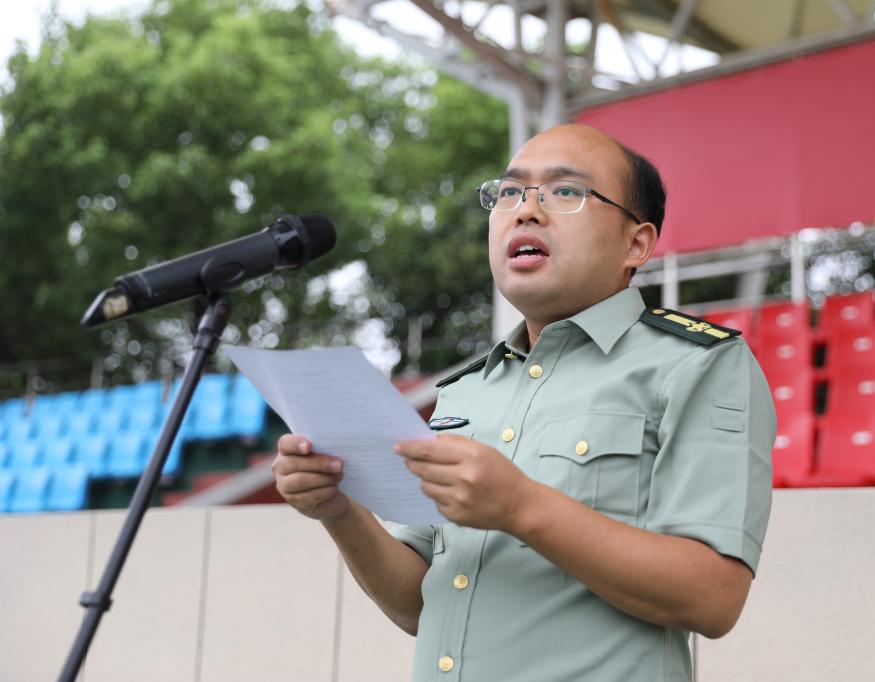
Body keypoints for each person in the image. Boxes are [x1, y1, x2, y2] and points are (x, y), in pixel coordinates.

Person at [272, 123, 775, 681]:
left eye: (566, 191)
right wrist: (341, 509)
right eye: (510, 192)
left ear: (636, 244)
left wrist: (521, 507)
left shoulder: (698, 364)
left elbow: (713, 596)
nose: (526, 211)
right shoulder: (465, 390)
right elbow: (419, 604)